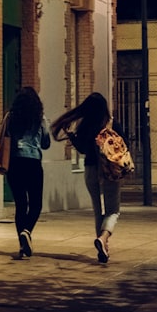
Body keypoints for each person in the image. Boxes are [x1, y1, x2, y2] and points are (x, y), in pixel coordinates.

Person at [50, 92, 121, 264]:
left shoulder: (85, 126)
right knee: (112, 211)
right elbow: (123, 145)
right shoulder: (112, 124)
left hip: (90, 170)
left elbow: (82, 149)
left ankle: (103, 249)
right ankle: (103, 239)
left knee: (99, 210)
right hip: (109, 171)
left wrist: (72, 136)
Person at [4, 87, 51, 259]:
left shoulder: (11, 117)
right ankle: (27, 231)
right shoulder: (40, 119)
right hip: (33, 163)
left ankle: (22, 245)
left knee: (21, 205)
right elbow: (46, 143)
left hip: (14, 163)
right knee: (36, 204)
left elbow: (3, 138)